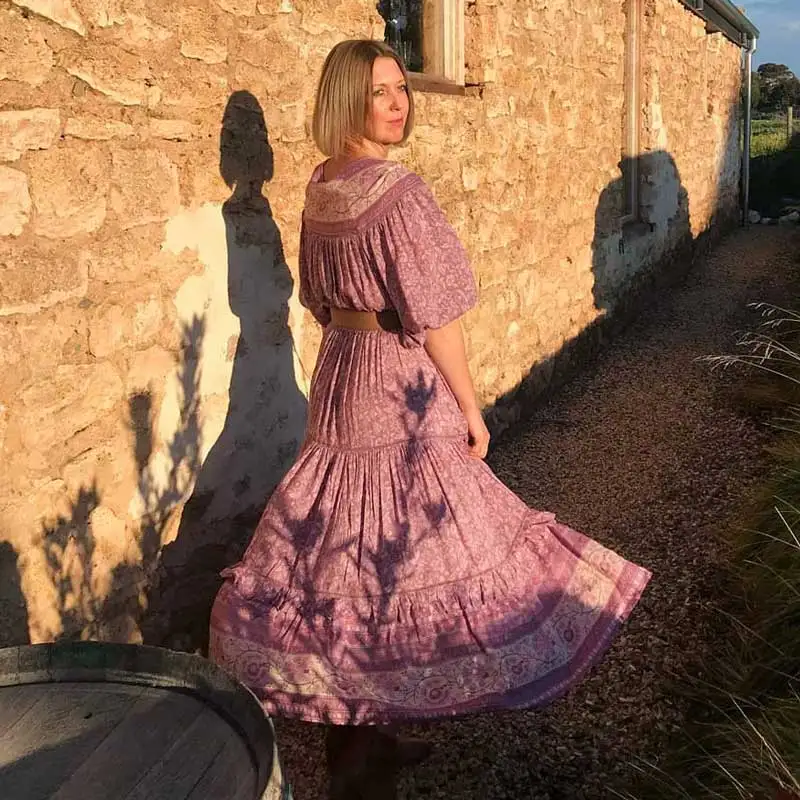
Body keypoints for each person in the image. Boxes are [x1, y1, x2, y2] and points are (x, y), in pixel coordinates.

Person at [209, 39, 652, 797]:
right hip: (394, 376)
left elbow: (316, 300)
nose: (397, 103)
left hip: (343, 371)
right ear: (345, 101)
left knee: (342, 545)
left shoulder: (321, 186)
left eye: (401, 88)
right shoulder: (397, 190)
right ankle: (363, 760)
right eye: (379, 91)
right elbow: (438, 314)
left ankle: (366, 734)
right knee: (408, 546)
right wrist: (471, 408)